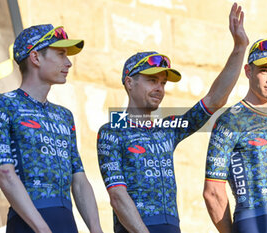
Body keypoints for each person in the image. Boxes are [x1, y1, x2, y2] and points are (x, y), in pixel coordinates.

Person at [96, 3, 249, 233]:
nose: (159, 88)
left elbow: (215, 99)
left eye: (162, 82)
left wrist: (240, 47)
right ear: (129, 82)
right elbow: (117, 196)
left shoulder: (167, 128)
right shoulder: (111, 131)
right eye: (151, 80)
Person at [0, 24, 103, 233]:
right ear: (36, 58)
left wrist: (97, 229)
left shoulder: (64, 116)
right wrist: (42, 228)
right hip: (28, 224)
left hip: (67, 223)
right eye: (60, 54)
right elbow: (4, 173)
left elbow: (79, 178)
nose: (68, 63)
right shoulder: (3, 104)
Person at [203, 38, 267, 233]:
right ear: (248, 71)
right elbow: (213, 191)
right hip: (254, 222)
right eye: (265, 70)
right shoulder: (230, 121)